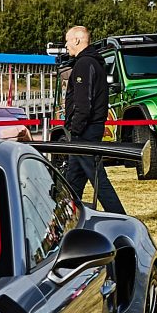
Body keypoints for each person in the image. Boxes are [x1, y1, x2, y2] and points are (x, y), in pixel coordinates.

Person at [44, 24, 124, 214]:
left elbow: (83, 102)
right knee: (74, 176)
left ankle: (119, 215)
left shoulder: (84, 64)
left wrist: (75, 130)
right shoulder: (93, 63)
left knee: (97, 177)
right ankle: (67, 214)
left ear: (77, 40)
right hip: (89, 128)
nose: (66, 45)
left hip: (85, 130)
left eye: (67, 40)